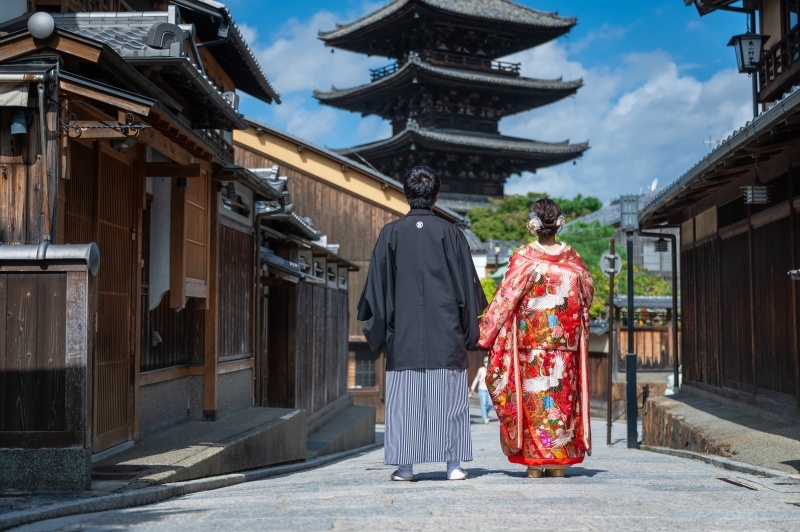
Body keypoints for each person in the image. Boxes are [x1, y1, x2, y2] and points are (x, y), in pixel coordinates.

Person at [357, 165, 487, 482]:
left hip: (404, 335)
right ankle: (453, 465)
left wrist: (383, 329)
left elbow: (378, 287)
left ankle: (405, 467)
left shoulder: (390, 233)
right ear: (436, 196)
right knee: (451, 403)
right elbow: (468, 288)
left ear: (406, 193)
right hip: (446, 334)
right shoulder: (452, 233)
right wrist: (470, 332)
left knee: (406, 401)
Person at [477, 198, 594, 478]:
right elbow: (587, 296)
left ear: (533, 225)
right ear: (559, 224)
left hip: (531, 348)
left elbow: (506, 298)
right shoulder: (573, 258)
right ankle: (558, 463)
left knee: (534, 401)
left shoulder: (525, 257)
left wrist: (485, 333)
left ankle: (534, 463)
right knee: (561, 401)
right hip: (566, 346)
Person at [470, 357, 492, 424]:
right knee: (483, 404)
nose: (486, 363)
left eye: (487, 362)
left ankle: (485, 413)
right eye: (485, 362)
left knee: (490, 404)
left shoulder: (492, 370)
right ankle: (485, 418)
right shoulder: (481, 370)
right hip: (481, 389)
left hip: (489, 390)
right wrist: (472, 388)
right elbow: (477, 378)